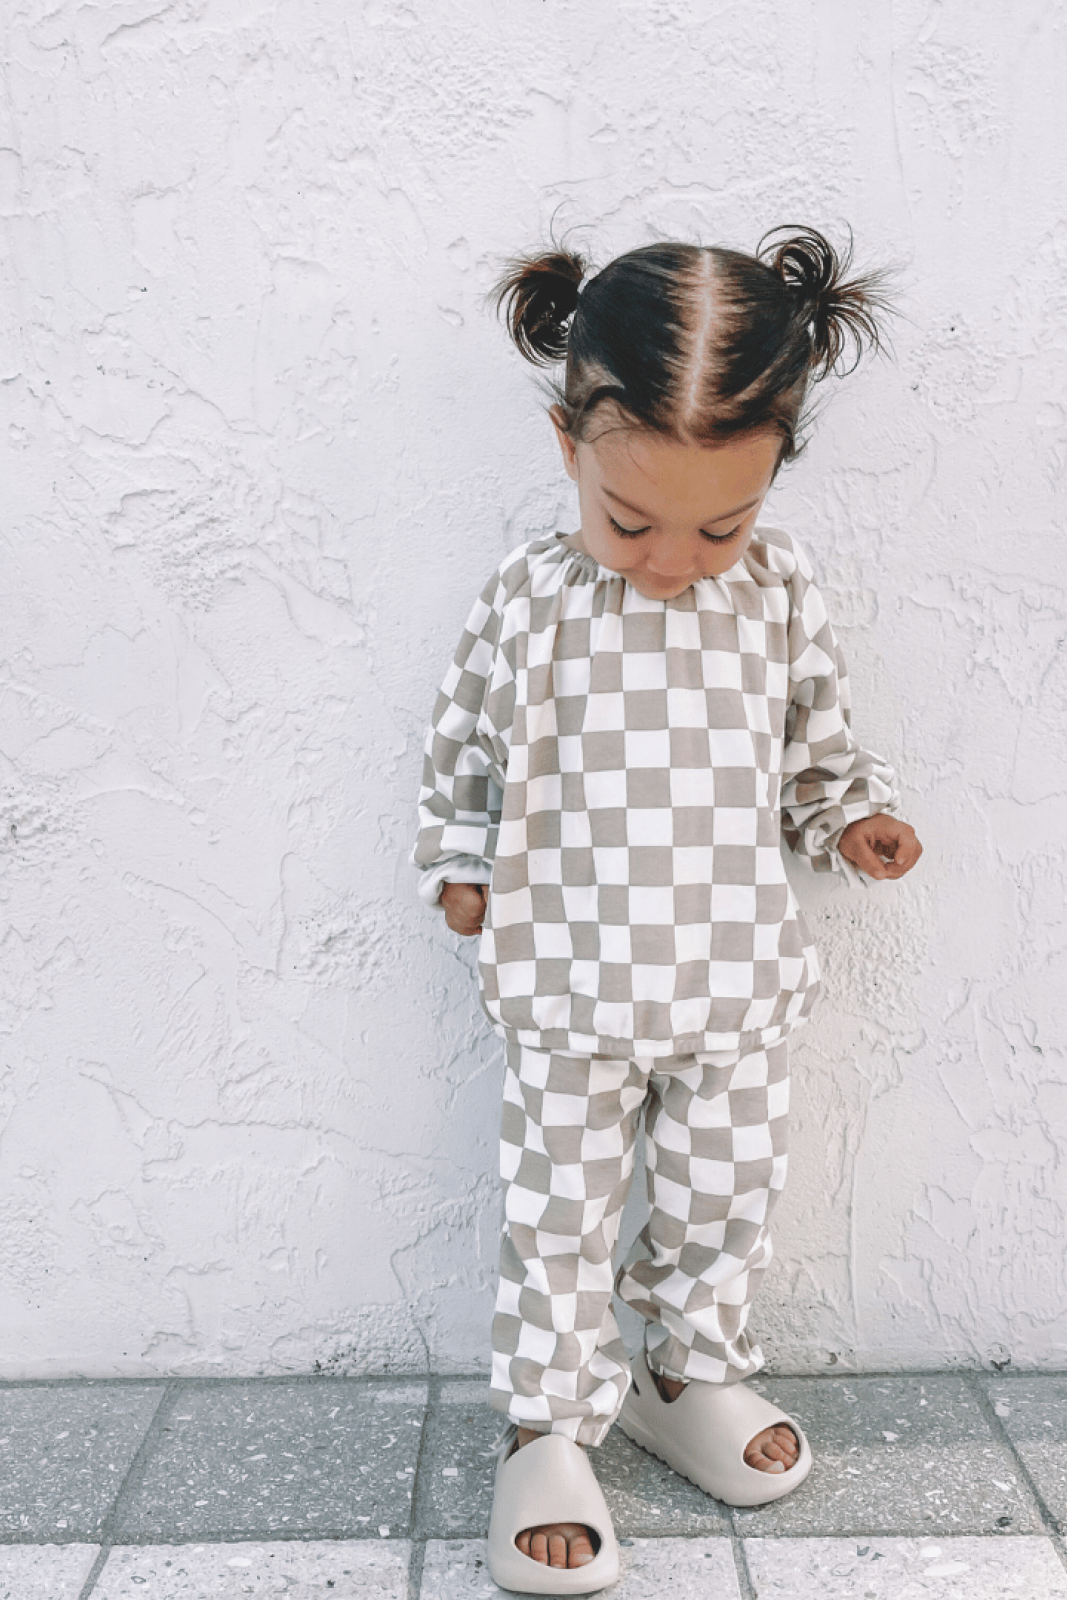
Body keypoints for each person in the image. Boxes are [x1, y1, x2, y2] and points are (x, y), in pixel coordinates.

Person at [412, 226, 923, 1594]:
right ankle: (547, 1426)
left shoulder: (774, 596)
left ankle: (687, 1371)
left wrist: (850, 820)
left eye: (721, 523)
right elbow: (464, 751)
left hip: (730, 980)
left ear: (773, 477)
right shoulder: (531, 602)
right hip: (568, 977)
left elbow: (817, 752)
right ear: (566, 442)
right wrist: (457, 861)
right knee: (559, 1211)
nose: (671, 560)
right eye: (629, 521)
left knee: (718, 1200)